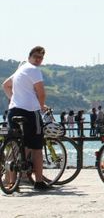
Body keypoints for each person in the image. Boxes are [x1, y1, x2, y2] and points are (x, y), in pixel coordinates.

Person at [2, 46, 51, 190]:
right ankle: (39, 182)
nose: (38, 60)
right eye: (36, 56)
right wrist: (41, 106)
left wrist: (14, 99)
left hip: (14, 110)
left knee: (15, 145)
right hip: (30, 111)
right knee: (36, 147)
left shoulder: (20, 70)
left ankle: (12, 182)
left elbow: (5, 85)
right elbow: (41, 93)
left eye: (40, 58)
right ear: (30, 57)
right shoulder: (34, 70)